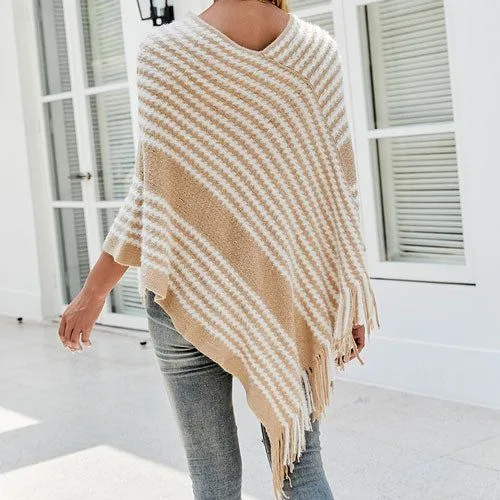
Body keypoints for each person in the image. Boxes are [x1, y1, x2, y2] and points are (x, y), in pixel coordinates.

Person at [58, 0, 381, 499]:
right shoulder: (318, 53)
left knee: (213, 477)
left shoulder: (164, 53)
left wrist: (93, 293)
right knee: (301, 465)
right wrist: (346, 301)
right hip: (287, 297)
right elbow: (339, 194)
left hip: (186, 289)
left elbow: (148, 196)